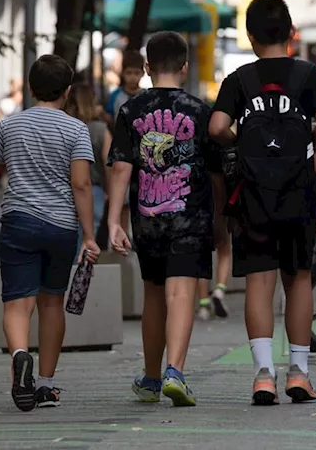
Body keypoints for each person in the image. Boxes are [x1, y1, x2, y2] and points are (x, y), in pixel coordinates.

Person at [210, 0, 316, 405]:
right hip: (297, 190)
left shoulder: (239, 80)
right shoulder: (309, 76)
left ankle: (263, 374)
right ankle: (299, 372)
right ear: (290, 32)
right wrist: (309, 142)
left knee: (259, 281)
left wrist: (240, 146)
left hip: (253, 193)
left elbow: (216, 126)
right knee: (299, 278)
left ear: (249, 36)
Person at [0, 55, 100, 412]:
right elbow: (81, 184)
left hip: (19, 221)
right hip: (61, 226)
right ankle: (46, 385)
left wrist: (5, 158)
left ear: (31, 87)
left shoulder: (12, 125)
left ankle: (21, 356)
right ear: (67, 91)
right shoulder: (76, 129)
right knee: (51, 301)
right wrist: (89, 235)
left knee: (16, 302)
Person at [106, 31, 225, 407]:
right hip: (191, 217)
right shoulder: (201, 110)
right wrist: (221, 219)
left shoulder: (130, 110)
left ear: (145, 67)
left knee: (154, 294)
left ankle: (152, 376)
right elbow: (218, 173)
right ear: (185, 67)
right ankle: (175, 371)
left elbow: (121, 169)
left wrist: (113, 221)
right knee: (181, 292)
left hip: (147, 218)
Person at [65, 83, 112, 240]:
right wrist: (110, 192)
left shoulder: (64, 128)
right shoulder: (100, 129)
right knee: (88, 239)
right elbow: (108, 163)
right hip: (95, 191)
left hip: (65, 190)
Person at [107, 50, 145, 121]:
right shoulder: (115, 96)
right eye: (129, 73)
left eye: (136, 73)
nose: (132, 77)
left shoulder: (146, 96)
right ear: (122, 73)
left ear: (142, 73)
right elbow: (110, 118)